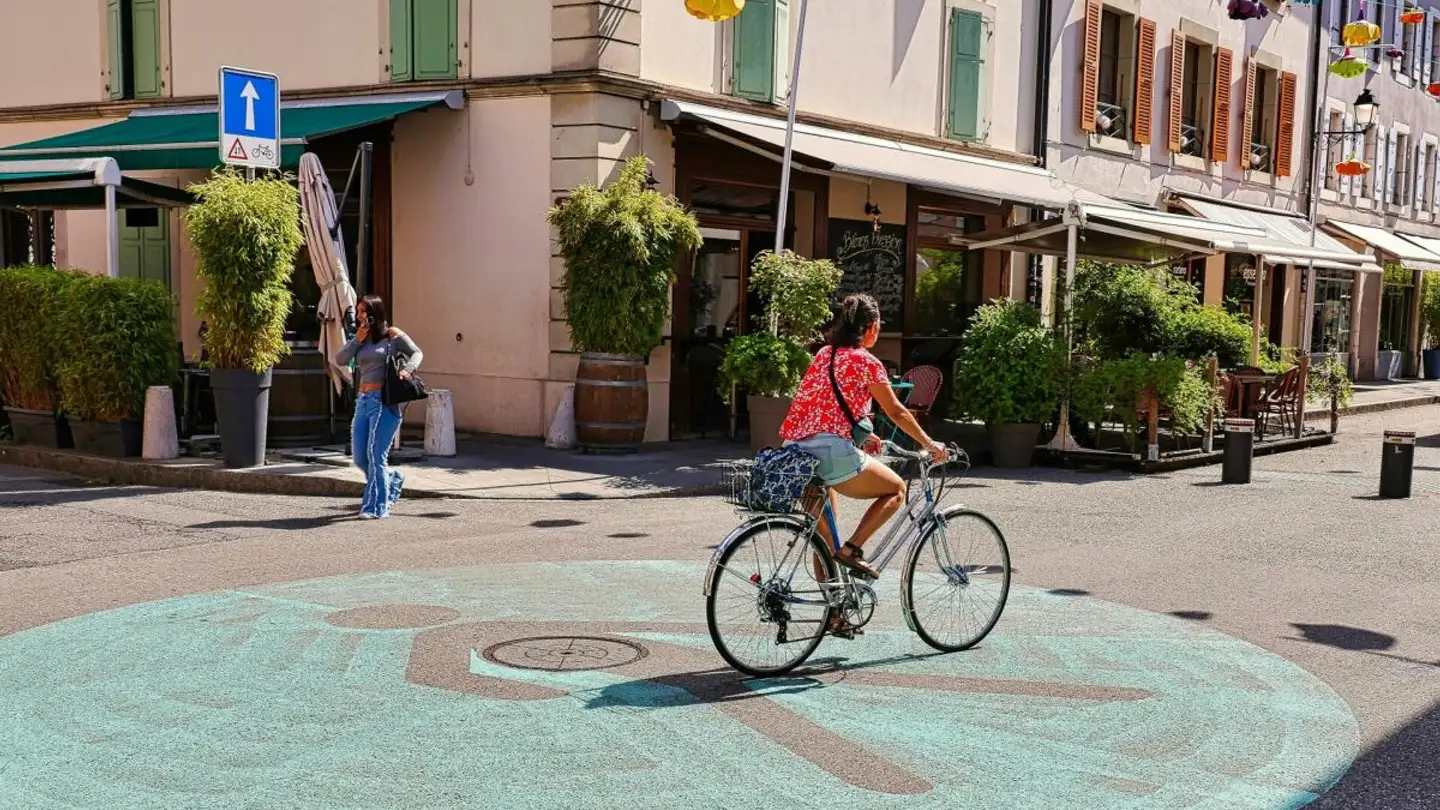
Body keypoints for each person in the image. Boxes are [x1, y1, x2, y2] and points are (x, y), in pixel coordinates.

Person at [778, 294, 947, 585]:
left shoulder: (824, 354)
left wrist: (864, 433)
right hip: (830, 453)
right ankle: (853, 550)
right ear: (870, 328)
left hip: (794, 453)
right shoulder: (866, 362)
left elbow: (822, 404)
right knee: (896, 490)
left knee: (825, 536)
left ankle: (833, 605)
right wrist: (929, 444)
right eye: (878, 327)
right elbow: (896, 411)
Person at [334, 295, 423, 519]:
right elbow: (340, 359)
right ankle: (392, 479)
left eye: (362, 311)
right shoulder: (361, 338)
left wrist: (407, 370)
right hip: (363, 401)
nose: (359, 316)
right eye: (358, 311)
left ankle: (376, 507)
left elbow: (417, 352)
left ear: (374, 314)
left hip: (383, 402)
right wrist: (357, 340)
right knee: (360, 457)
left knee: (376, 456)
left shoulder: (391, 335)